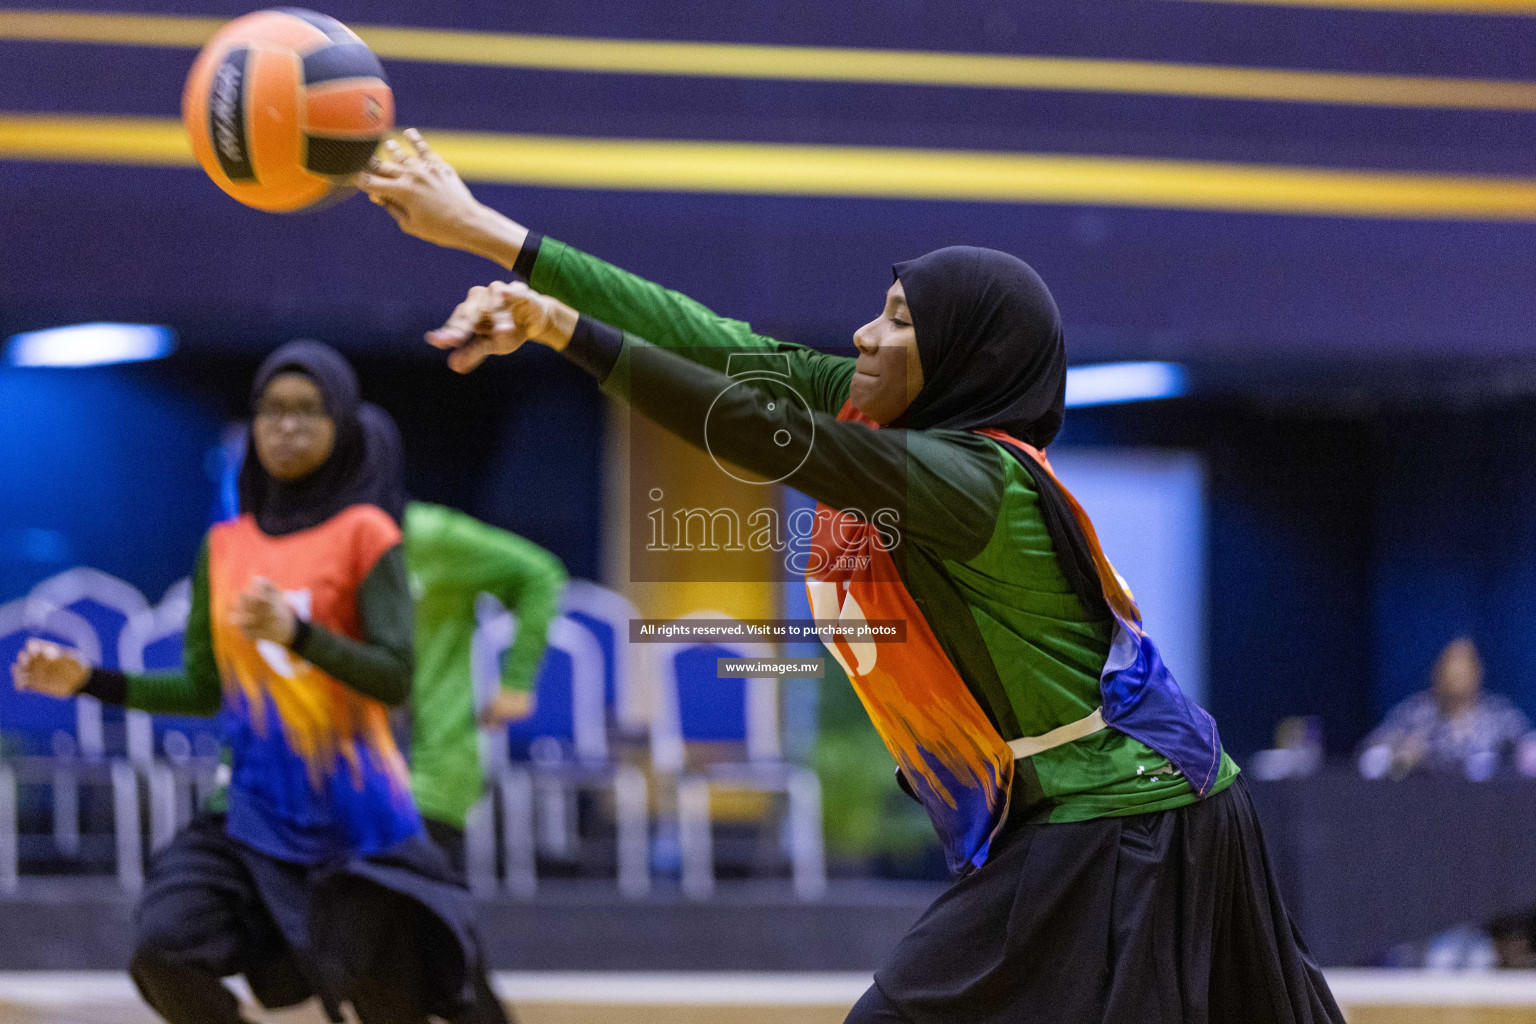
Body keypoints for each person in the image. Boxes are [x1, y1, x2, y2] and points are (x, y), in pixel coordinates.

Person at [357, 131, 1344, 1024]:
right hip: (1082, 808)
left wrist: (568, 333)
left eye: (900, 321)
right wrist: (496, 243)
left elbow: (754, 430)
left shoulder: (969, 481)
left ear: (964, 358)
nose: (866, 337)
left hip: (1134, 814)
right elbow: (712, 342)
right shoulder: (896, 420)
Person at [11, 341, 479, 1024]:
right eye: (272, 411)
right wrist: (90, 680)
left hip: (358, 825)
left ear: (341, 425)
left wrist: (299, 636)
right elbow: (205, 689)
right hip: (249, 814)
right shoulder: (225, 546)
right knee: (161, 950)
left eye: (308, 412)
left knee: (407, 1003)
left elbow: (394, 679)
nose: (286, 427)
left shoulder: (366, 534)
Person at [404, 500, 567, 1024]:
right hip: (346, 773)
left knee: (443, 954)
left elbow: (540, 573)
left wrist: (518, 680)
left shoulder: (425, 535)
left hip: (430, 770)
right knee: (382, 957)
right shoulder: (303, 545)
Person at [1359, 637, 1530, 781]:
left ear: (1478, 673)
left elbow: (1528, 756)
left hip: (1494, 807)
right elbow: (1369, 758)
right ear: (1437, 672)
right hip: (1422, 806)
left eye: (1463, 671)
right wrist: (1399, 760)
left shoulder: (1500, 715)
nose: (1456, 678)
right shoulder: (1413, 714)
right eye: (1450, 670)